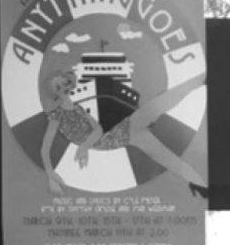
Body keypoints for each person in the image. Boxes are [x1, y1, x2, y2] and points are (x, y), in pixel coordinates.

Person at [39, 69, 208, 198]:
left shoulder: (78, 108)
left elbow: (98, 129)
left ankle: (198, 184)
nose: (63, 88)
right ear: (54, 94)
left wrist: (83, 147)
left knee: (164, 156)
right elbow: (45, 149)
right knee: (155, 107)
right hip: (112, 139)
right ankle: (200, 80)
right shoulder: (57, 115)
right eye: (58, 87)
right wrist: (50, 175)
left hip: (114, 136)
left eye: (64, 83)